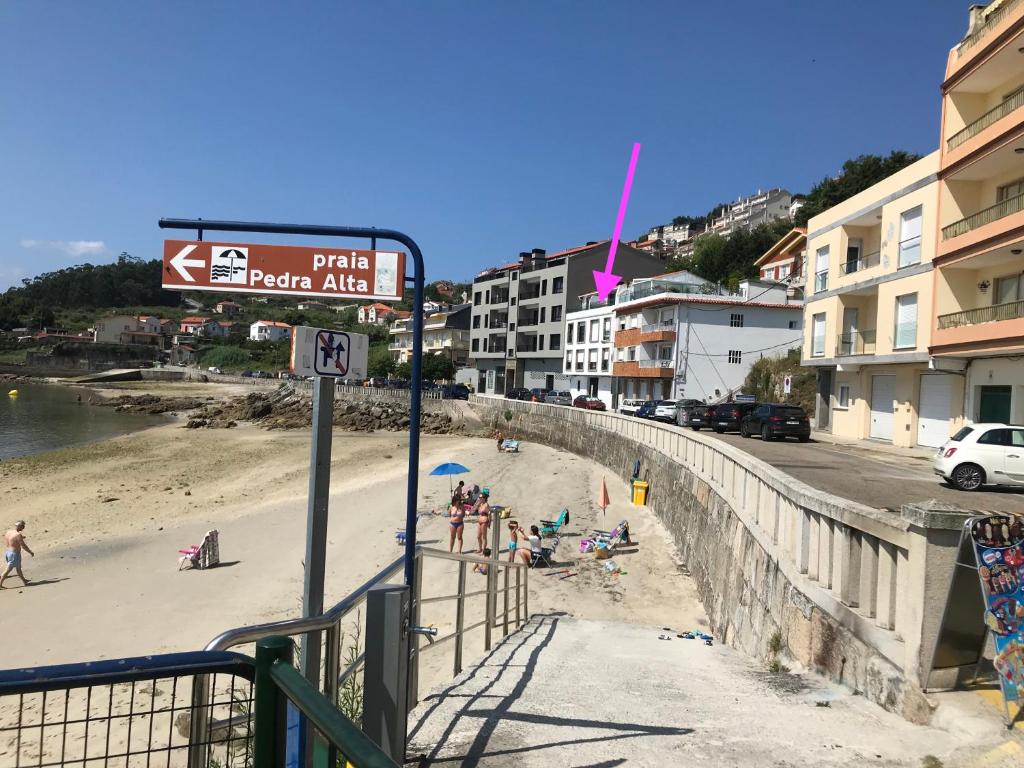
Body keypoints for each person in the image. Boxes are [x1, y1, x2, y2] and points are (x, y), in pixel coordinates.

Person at [1, 520, 34, 589]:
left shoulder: (9, 532)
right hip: (14, 554)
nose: (23, 528)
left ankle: (24, 581)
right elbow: (23, 546)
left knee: (18, 568)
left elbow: (10, 539)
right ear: (20, 526)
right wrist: (30, 552)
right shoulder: (18, 535)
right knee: (8, 570)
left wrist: (20, 538)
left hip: (8, 553)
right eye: (23, 526)